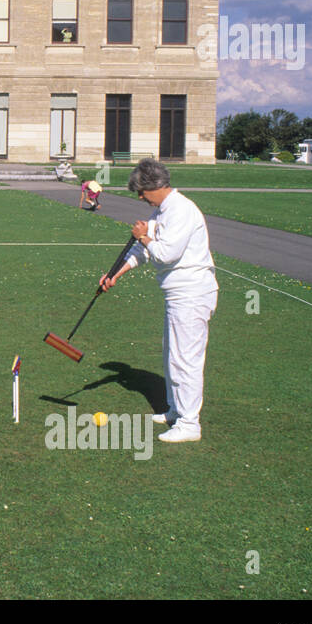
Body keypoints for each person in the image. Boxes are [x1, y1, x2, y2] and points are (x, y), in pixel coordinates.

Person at [99, 159, 217, 443]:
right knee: (171, 354)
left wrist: (143, 237)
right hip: (177, 294)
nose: (140, 198)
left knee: (185, 358)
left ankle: (190, 424)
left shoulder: (182, 210)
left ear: (154, 185)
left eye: (141, 192)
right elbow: (144, 253)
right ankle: (176, 410)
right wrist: (115, 274)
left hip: (192, 293)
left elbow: (165, 253)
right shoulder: (163, 212)